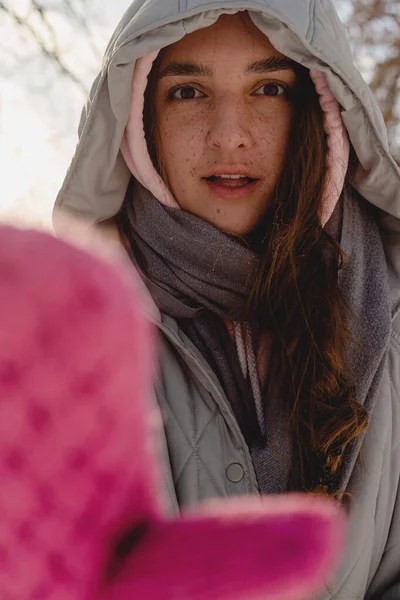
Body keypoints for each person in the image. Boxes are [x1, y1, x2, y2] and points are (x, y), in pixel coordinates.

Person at [53, 2, 400, 599]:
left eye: (269, 88)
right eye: (188, 92)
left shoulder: (390, 311)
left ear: (322, 110)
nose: (230, 134)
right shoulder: (65, 336)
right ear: (138, 118)